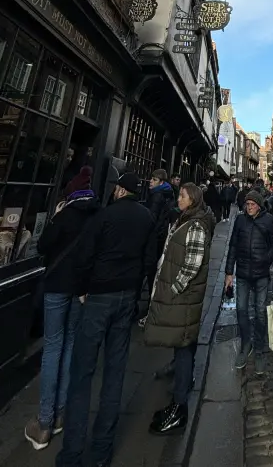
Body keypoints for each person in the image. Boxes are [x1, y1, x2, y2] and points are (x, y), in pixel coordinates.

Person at [55, 172, 157, 467]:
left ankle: (72, 454)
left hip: (99, 296)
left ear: (121, 191)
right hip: (127, 296)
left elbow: (84, 256)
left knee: (82, 375)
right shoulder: (146, 218)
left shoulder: (103, 216)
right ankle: (101, 452)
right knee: (115, 373)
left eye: (116, 188)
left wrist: (83, 290)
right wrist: (137, 288)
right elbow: (149, 259)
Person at [25, 168, 100, 451]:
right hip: (81, 290)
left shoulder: (65, 214)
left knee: (53, 348)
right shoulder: (96, 215)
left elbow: (43, 246)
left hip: (57, 287)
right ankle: (60, 414)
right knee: (69, 345)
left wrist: (55, 217)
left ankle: (44, 423)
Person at [145, 184, 214, 435]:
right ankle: (179, 398)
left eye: (182, 195)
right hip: (184, 300)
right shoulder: (188, 219)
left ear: (192, 199)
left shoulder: (195, 225)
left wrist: (173, 289)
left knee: (184, 348)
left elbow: (192, 265)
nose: (178, 198)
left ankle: (179, 408)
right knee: (183, 346)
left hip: (183, 299)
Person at [225, 190, 273, 376]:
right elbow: (232, 245)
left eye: (252, 204)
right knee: (241, 309)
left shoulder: (269, 220)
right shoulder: (240, 220)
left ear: (259, 205)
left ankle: (260, 348)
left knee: (261, 311)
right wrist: (228, 272)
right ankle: (246, 344)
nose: (249, 207)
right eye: (247, 204)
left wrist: (266, 260)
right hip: (243, 273)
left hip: (262, 273)